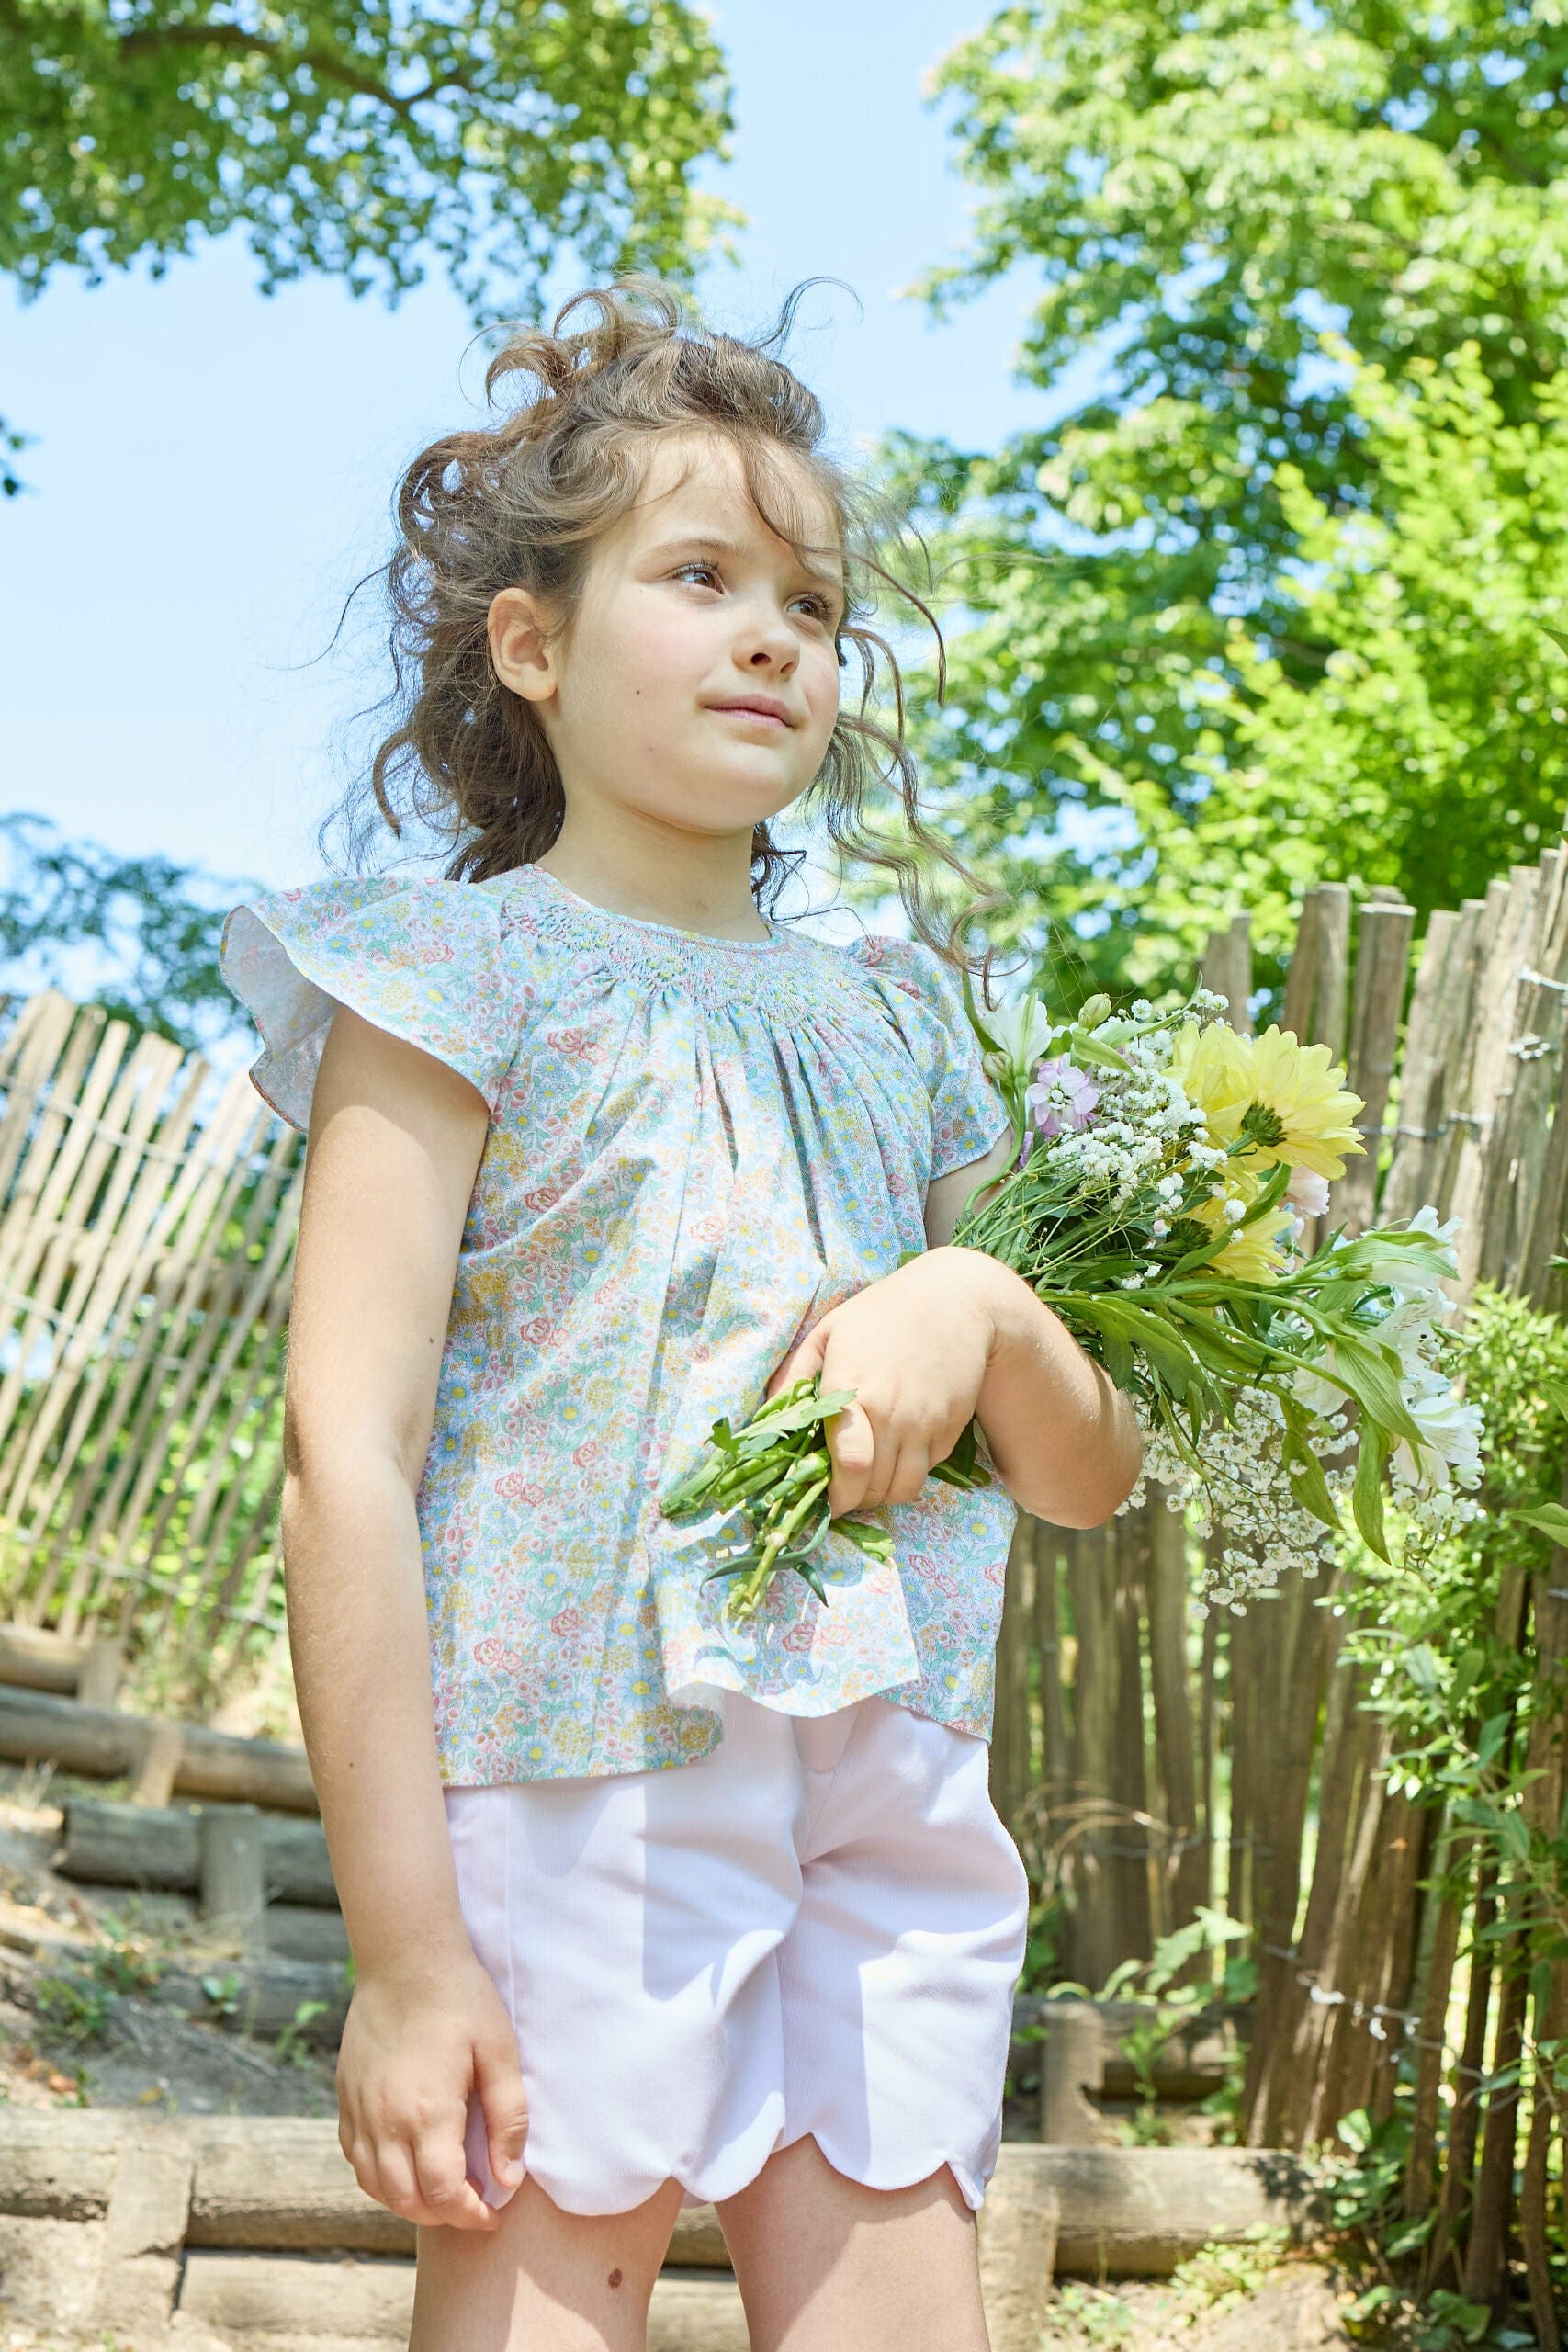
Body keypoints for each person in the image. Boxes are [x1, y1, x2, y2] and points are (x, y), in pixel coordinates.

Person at [220, 277, 1143, 2352]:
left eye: (810, 605)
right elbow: (339, 1458)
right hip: (573, 1756)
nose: (772, 635)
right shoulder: (455, 985)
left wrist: (977, 1299)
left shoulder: (900, 1011)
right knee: (552, 2297)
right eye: (700, 574)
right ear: (529, 645)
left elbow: (1088, 1470)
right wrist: (402, 1948)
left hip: (891, 1769)